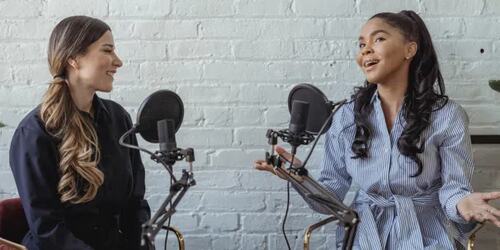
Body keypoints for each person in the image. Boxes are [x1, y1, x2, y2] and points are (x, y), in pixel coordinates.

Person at [255, 10, 500, 249]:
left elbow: (454, 189)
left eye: (379, 39)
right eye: (361, 44)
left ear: (409, 49)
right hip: (364, 234)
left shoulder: (447, 115)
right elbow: (331, 198)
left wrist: (463, 203)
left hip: (429, 235)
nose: (366, 49)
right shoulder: (345, 116)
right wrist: (300, 178)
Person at [9, 16, 150, 250]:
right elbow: (47, 229)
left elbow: (135, 204)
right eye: (108, 50)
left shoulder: (118, 119)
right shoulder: (33, 133)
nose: (118, 61)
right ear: (73, 59)